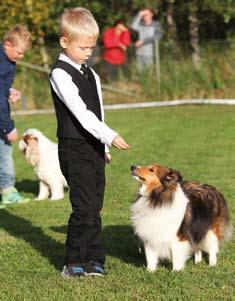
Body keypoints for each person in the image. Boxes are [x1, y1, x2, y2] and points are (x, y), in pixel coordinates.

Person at [49, 7, 130, 277]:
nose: (89, 53)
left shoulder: (91, 74)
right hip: (74, 148)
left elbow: (98, 112)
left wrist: (103, 147)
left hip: (94, 148)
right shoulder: (60, 74)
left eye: (92, 48)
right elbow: (82, 114)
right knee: (83, 206)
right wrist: (110, 135)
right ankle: (73, 261)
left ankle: (95, 258)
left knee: (95, 206)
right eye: (83, 47)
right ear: (64, 42)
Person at [0, 25, 32, 208]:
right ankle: (8, 191)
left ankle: (7, 190)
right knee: (4, 152)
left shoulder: (8, 61)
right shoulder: (2, 64)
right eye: (20, 52)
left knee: (3, 152)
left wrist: (9, 92)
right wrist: (8, 127)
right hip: (1, 119)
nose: (22, 57)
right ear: (8, 44)